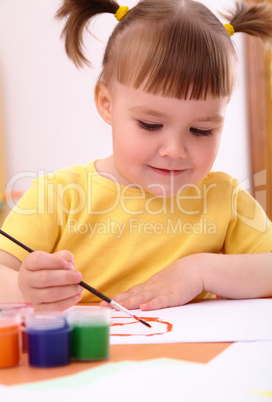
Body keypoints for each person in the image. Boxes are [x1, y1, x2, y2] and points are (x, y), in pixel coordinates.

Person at [0, 0, 272, 312]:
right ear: (106, 103)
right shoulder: (57, 196)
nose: (174, 150)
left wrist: (200, 270)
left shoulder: (225, 200)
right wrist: (21, 286)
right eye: (150, 124)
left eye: (201, 130)